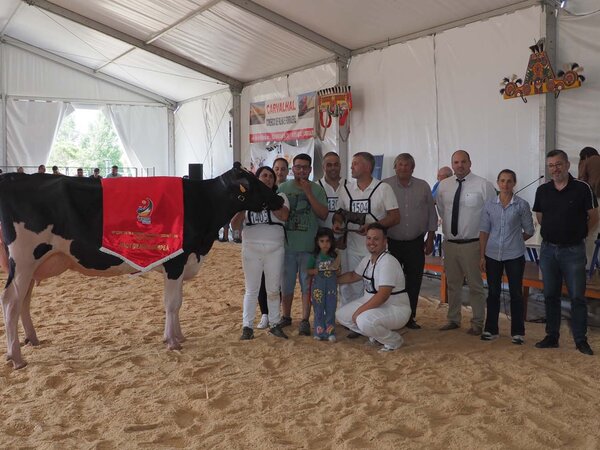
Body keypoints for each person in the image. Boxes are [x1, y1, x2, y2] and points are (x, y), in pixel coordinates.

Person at [533, 149, 599, 355]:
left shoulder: (582, 188)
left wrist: (581, 234)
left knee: (577, 296)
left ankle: (580, 339)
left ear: (567, 165)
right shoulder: (543, 190)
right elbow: (540, 217)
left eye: (558, 164)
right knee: (550, 295)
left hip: (573, 251)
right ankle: (552, 336)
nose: (555, 169)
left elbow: (594, 216)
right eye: (551, 166)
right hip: (548, 251)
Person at [436, 150, 496, 335]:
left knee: (475, 286)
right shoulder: (444, 186)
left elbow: (492, 214)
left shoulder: (483, 185)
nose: (459, 165)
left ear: (470, 163)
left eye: (463, 162)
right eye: (456, 162)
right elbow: (441, 210)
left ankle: (477, 322)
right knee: (453, 284)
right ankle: (453, 319)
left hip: (473, 244)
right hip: (450, 243)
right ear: (452, 164)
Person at [333, 152, 400, 309]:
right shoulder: (345, 189)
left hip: (375, 249)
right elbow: (339, 213)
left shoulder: (383, 188)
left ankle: (370, 316)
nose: (351, 167)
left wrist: (372, 227)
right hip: (350, 247)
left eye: (356, 163)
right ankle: (349, 316)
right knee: (349, 287)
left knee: (374, 286)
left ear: (368, 167)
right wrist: (337, 222)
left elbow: (395, 217)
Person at [231, 166, 290, 340]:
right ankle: (247, 327)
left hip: (275, 249)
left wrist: (267, 197)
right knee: (251, 289)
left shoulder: (280, 197)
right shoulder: (246, 199)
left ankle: (275, 324)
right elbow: (234, 224)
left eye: (271, 176)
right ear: (257, 179)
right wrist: (245, 205)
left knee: (273, 289)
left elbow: (284, 216)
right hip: (251, 248)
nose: (268, 178)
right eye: (264, 175)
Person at [479, 169, 535, 344]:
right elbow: (484, 231)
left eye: (509, 181)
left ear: (514, 183)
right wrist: (482, 256)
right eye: (502, 181)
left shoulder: (522, 205)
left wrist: (516, 240)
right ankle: (491, 329)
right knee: (493, 292)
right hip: (492, 254)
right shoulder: (489, 205)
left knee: (516, 293)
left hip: (514, 255)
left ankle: (517, 332)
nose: (505, 184)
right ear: (498, 183)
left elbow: (529, 230)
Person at [336, 223, 411, 352]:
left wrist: (359, 312)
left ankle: (393, 340)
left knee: (362, 320)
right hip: (373, 303)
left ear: (385, 241)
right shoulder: (368, 259)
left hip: (395, 308)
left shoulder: (388, 262)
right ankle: (377, 335)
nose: (371, 242)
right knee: (341, 315)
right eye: (369, 238)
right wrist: (330, 279)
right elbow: (353, 276)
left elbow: (383, 295)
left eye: (376, 239)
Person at [383, 153, 437, 329]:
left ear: (413, 168)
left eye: (407, 165)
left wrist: (430, 238)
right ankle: (391, 316)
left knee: (414, 281)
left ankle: (409, 317)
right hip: (392, 243)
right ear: (395, 167)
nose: (403, 168)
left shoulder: (423, 186)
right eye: (400, 164)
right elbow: (380, 212)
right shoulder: (385, 186)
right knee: (391, 281)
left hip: (416, 242)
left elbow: (431, 213)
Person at [277, 153, 328, 336]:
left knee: (307, 286)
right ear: (293, 169)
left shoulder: (317, 189)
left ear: (310, 169)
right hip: (287, 246)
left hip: (308, 247)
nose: (301, 170)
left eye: (305, 167)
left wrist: (308, 192)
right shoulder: (283, 188)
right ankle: (286, 316)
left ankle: (305, 319)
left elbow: (323, 214)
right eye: (298, 167)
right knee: (286, 284)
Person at [307, 227, 341, 342]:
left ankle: (330, 332)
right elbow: (307, 270)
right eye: (322, 241)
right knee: (318, 309)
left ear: (331, 241)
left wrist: (336, 270)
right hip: (318, 288)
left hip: (331, 288)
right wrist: (314, 271)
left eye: (327, 241)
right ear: (317, 242)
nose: (325, 244)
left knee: (331, 309)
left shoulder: (335, 256)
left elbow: (339, 271)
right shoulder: (314, 256)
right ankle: (319, 332)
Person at [578, 146, 600, 264]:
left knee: (591, 233)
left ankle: (588, 265)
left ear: (585, 156)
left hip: (594, 200)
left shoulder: (588, 161)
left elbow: (581, 180)